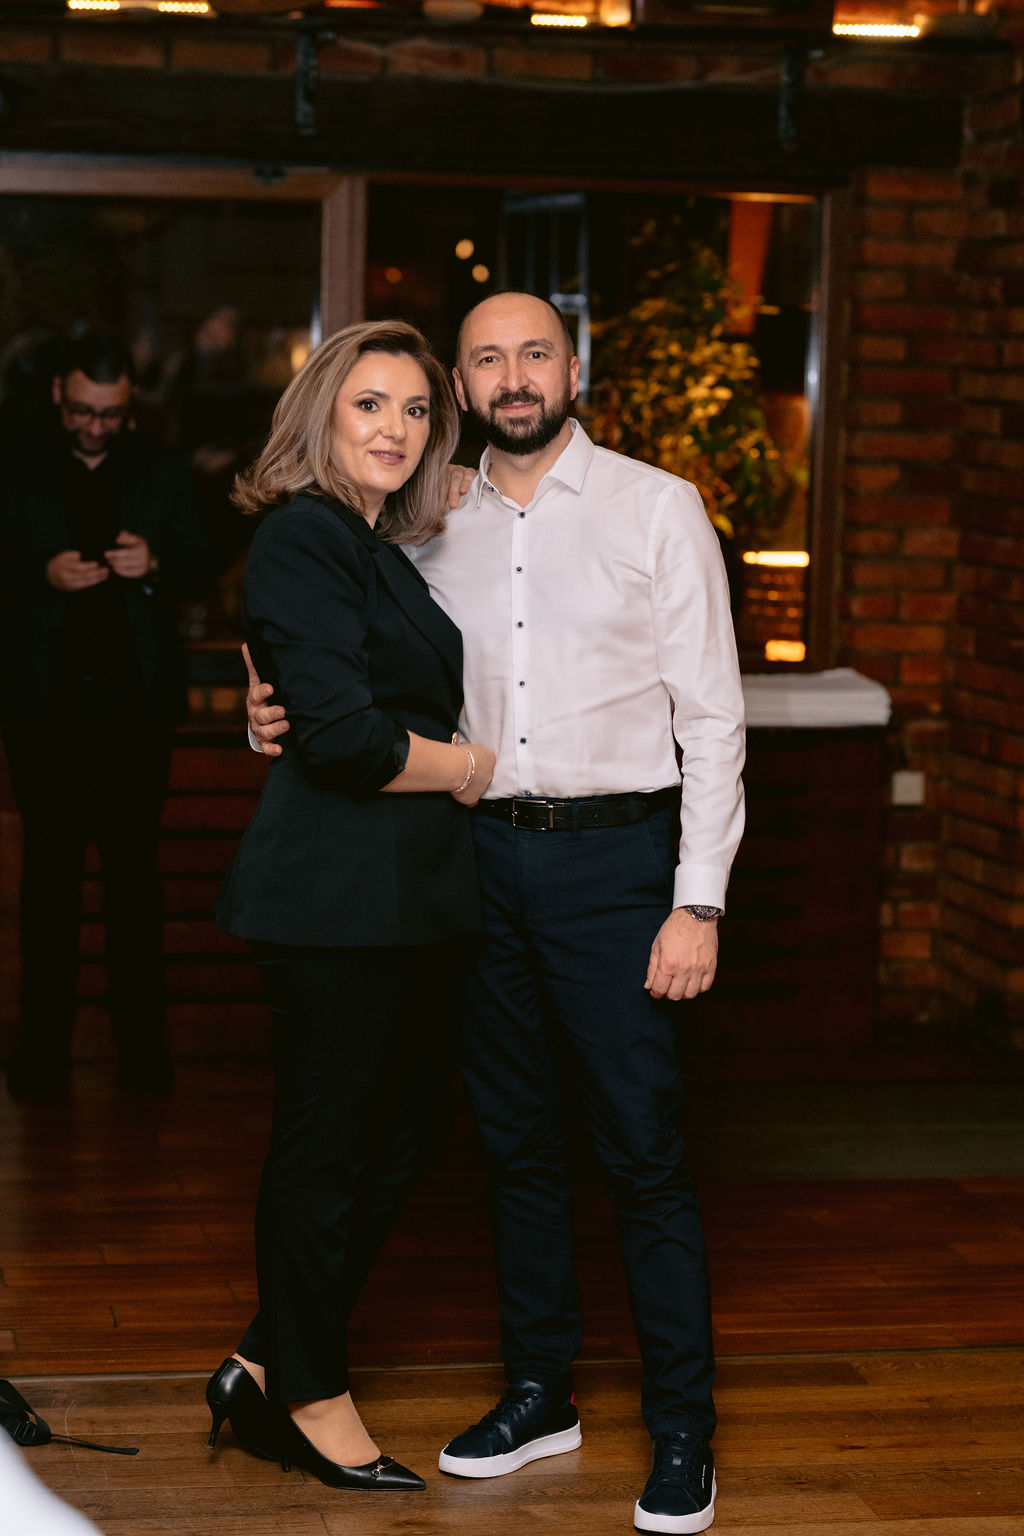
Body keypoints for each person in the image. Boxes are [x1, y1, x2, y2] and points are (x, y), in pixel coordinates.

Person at [248, 291, 745, 1533]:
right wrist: (267, 708)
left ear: (572, 368)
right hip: (468, 867)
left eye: (535, 352)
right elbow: (346, 664)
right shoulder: (427, 522)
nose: (512, 376)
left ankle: (683, 1427)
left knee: (642, 1151)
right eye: (485, 360)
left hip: (616, 864)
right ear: (466, 390)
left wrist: (696, 900)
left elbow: (712, 716)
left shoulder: (656, 506)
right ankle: (539, 1392)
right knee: (514, 1146)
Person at [208, 321, 495, 1493]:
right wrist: (470, 768)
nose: (395, 428)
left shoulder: (370, 543)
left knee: (406, 1131)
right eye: (369, 404)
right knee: (326, 1147)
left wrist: (467, 481)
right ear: (321, 411)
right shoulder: (303, 534)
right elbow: (341, 739)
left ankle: (265, 1356)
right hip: (334, 900)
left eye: (417, 410)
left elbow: (334, 688)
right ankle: (310, 1394)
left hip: (401, 900)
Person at [0, 331, 211, 1099]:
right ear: (60, 394)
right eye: (85, 411)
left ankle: (143, 1056)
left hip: (134, 712)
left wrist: (154, 565)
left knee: (134, 884)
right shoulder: (16, 464)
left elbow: (200, 561)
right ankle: (42, 1059)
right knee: (49, 885)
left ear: (130, 406)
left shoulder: (161, 467)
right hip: (44, 710)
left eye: (112, 414)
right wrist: (39, 573)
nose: (97, 426)